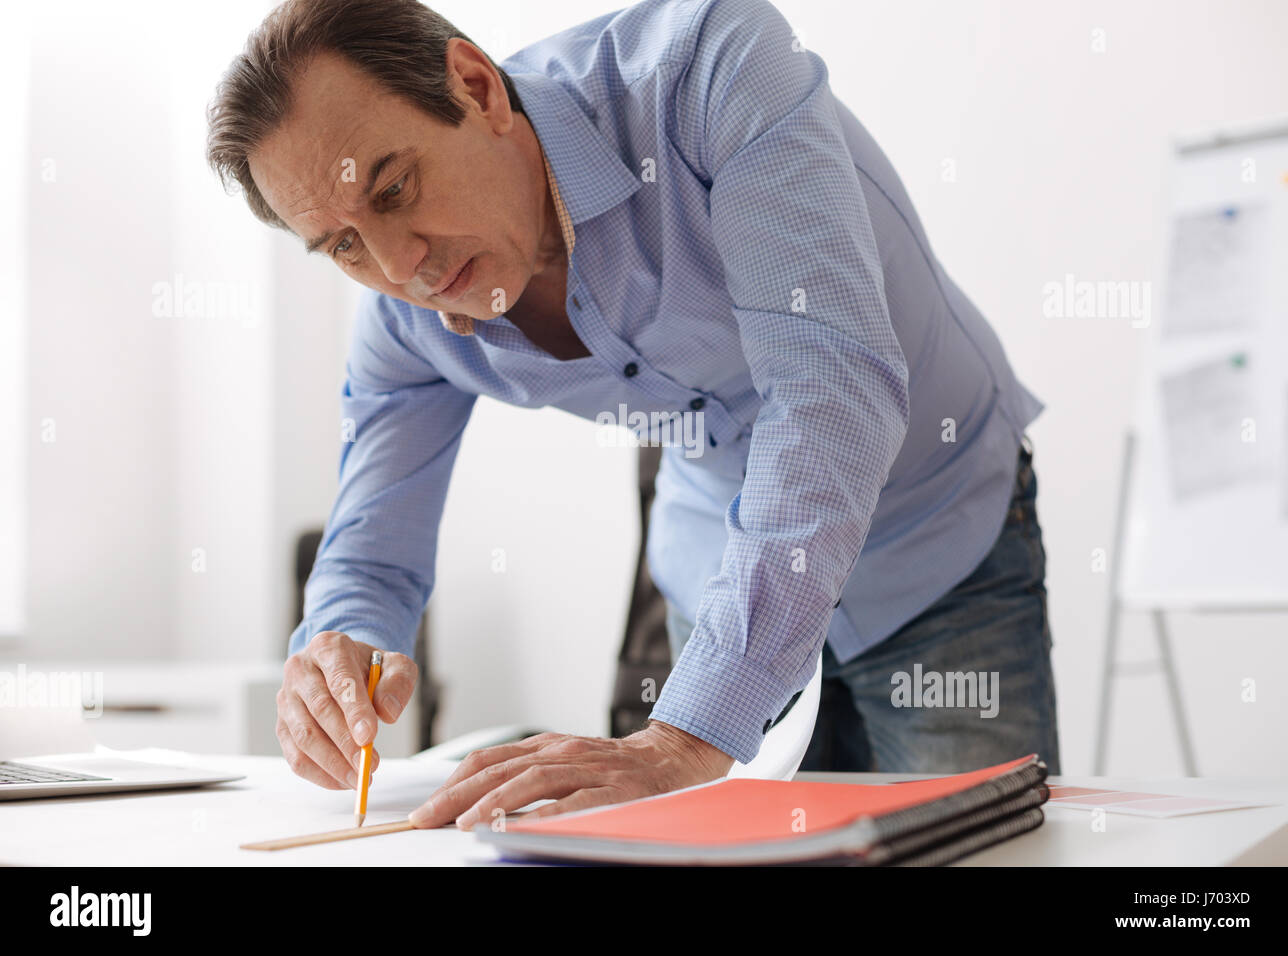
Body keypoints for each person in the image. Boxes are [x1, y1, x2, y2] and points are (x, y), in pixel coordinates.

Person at [206, 0, 1059, 831]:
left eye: (394, 189)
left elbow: (829, 393)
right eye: (344, 245)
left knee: (974, 859)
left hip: (938, 541)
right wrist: (339, 648)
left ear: (475, 87)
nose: (402, 267)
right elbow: (371, 549)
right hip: (722, 569)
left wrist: (689, 732)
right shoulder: (403, 320)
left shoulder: (711, 68)